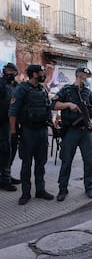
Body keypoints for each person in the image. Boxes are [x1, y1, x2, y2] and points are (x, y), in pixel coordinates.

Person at [51, 67, 92, 201]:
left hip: (85, 132)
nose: (88, 78)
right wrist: (68, 105)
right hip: (71, 131)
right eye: (86, 75)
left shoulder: (89, 93)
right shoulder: (67, 91)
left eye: (88, 76)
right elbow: (53, 104)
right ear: (79, 76)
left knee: (89, 160)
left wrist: (91, 120)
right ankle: (62, 189)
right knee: (66, 161)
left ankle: (89, 187)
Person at [9, 64, 54, 205]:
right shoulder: (21, 89)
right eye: (41, 72)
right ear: (34, 74)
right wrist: (13, 132)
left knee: (41, 163)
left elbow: (47, 108)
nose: (43, 74)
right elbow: (12, 112)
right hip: (28, 131)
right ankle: (25, 193)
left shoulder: (42, 89)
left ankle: (40, 190)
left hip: (42, 131)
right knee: (27, 164)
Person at [0, 63, 19, 191]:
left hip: (13, 122)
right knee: (5, 150)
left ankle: (7, 174)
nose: (10, 73)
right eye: (8, 70)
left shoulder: (16, 86)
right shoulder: (1, 84)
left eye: (13, 71)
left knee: (12, 148)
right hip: (2, 123)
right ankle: (4, 180)